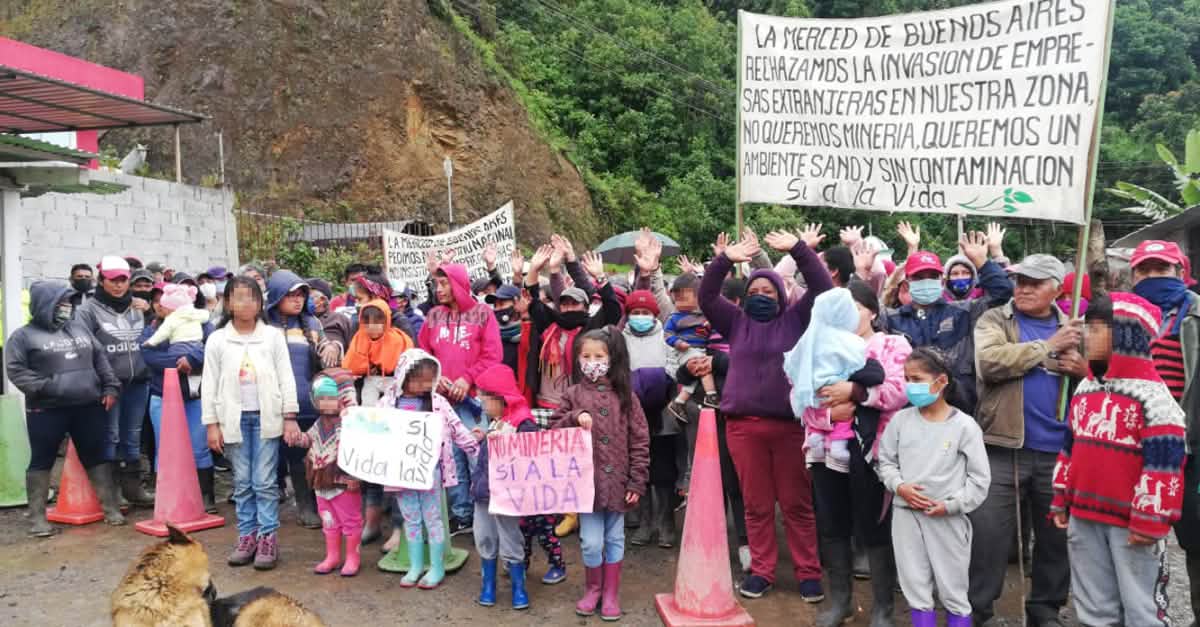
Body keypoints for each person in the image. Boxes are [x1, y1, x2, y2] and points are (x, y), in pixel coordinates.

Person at [699, 226, 831, 601]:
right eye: (753, 291)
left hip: (789, 430)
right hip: (743, 429)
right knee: (755, 506)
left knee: (797, 505)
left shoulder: (796, 321)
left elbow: (823, 291)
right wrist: (725, 259)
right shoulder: (736, 322)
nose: (759, 296)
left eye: (767, 291)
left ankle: (808, 573)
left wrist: (800, 249)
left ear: (782, 295)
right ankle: (761, 571)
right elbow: (707, 294)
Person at [1051, 293, 1186, 626]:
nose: (1087, 336)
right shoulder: (1085, 389)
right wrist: (1060, 498)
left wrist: (1150, 520)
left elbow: (1164, 468)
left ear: (1129, 334)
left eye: (1098, 329)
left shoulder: (1153, 399)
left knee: (1141, 607)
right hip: (1084, 516)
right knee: (1094, 605)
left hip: (1131, 525)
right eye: (1088, 328)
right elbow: (1069, 450)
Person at [970, 254, 1087, 626]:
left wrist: (1084, 370)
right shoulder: (994, 319)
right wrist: (1046, 347)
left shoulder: (1079, 329)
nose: (1023, 288)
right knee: (988, 537)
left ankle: (1046, 610)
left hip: (1060, 453)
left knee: (1055, 538)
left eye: (1034, 282)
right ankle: (980, 611)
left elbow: (1108, 379)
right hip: (1002, 446)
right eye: (1020, 280)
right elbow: (988, 362)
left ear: (1056, 288)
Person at [808, 282, 911, 627]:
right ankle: (841, 602)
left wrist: (854, 390)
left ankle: (882, 608)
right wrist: (827, 415)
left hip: (874, 452)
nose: (848, 314)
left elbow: (900, 390)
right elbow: (802, 397)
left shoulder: (893, 344)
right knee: (833, 525)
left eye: (855, 305)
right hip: (826, 450)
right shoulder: (819, 348)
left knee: (875, 527)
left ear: (872, 310)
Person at [877, 347, 990, 627]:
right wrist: (899, 486)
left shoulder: (965, 427)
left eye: (916, 379)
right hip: (905, 516)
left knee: (953, 589)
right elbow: (885, 462)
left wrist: (951, 505)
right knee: (915, 587)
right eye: (906, 379)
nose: (910, 386)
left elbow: (979, 480)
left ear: (941, 382)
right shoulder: (901, 421)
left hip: (947, 520)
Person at [7, 281, 124, 535]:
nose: (66, 307)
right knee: (42, 459)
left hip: (88, 405)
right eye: (61, 302)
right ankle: (38, 519)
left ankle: (110, 509)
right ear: (44, 304)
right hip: (47, 409)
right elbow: (16, 371)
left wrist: (110, 387)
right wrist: (50, 387)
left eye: (68, 302)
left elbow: (99, 356)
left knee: (96, 456)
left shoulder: (79, 327)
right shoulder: (22, 336)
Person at [551, 327, 650, 621]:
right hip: (586, 485)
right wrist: (573, 416)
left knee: (615, 538)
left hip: (618, 482)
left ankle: (610, 593)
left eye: (599, 356)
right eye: (586, 356)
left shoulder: (626, 396)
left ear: (612, 358)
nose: (592, 361)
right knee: (591, 541)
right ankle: (593, 588)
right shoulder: (573, 394)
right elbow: (554, 429)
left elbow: (640, 439)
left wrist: (636, 479)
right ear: (578, 359)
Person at [202, 276, 300, 570]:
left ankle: (268, 538)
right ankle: (247, 536)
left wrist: (290, 417)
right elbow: (210, 383)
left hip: (266, 418)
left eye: (252, 297)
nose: (246, 303)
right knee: (242, 482)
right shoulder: (218, 339)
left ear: (261, 303)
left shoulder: (271, 337)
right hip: (233, 420)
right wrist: (212, 424)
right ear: (228, 303)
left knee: (264, 481)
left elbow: (286, 377)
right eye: (239, 297)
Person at [1127, 239, 1200, 625]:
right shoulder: (1122, 316)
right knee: (1134, 538)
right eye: (1145, 270)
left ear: (1181, 272)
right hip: (1133, 451)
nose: (1153, 277)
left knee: (1196, 540)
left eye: (1163, 269)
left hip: (1190, 449)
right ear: (1133, 274)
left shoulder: (1197, 313)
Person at [380, 348, 480, 590]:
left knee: (433, 519)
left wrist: (477, 448)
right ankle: (415, 566)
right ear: (404, 376)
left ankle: (436, 567)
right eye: (419, 379)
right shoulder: (387, 403)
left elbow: (457, 429)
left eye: (429, 379)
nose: (425, 385)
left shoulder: (438, 403)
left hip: (430, 471)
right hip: (401, 472)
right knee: (411, 519)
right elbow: (375, 429)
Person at [884, 225, 1012, 413]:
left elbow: (1003, 293)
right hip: (906, 413)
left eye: (932, 276)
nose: (926, 281)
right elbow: (862, 310)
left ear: (942, 281)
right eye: (919, 277)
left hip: (958, 409)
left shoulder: (964, 311)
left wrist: (983, 262)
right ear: (907, 283)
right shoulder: (891, 319)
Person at [418, 261, 503, 535]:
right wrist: (434, 376)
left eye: (445, 283)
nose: (439, 289)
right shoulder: (432, 316)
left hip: (474, 401)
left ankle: (486, 513)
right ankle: (462, 515)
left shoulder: (483, 314)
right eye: (437, 284)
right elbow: (422, 353)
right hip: (441, 402)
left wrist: (467, 379)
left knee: (476, 456)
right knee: (450, 459)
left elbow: (493, 355)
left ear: (458, 284)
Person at [74, 255, 155, 508]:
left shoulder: (139, 306)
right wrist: (102, 381)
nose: (119, 285)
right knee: (110, 436)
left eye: (123, 279)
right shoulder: (88, 310)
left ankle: (133, 488)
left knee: (132, 435)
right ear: (101, 280)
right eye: (113, 280)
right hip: (109, 384)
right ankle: (111, 493)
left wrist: (150, 311)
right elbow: (84, 349)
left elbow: (153, 336)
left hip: (138, 381)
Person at [140, 283, 218, 512]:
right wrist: (179, 363)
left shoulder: (203, 324)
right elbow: (148, 355)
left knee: (199, 447)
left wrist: (192, 359)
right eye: (157, 301)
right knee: (165, 449)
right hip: (162, 397)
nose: (161, 306)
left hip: (195, 397)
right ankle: (167, 498)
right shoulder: (153, 328)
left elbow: (212, 347)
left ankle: (205, 497)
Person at [266, 270, 331, 530]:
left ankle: (308, 506)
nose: (297, 300)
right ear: (276, 296)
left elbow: (327, 351)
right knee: (272, 461)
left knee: (305, 458)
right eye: (290, 295)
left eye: (301, 294)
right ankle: (267, 515)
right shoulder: (264, 327)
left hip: (308, 405)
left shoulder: (313, 325)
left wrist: (332, 348)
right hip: (273, 407)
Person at [472, 364, 539, 610]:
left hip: (507, 496)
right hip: (484, 493)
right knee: (484, 535)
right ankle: (488, 584)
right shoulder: (497, 421)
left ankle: (518, 587)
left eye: (485, 398)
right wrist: (484, 438)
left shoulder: (523, 424)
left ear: (501, 398)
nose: (482, 404)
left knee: (511, 537)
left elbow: (532, 456)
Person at [288, 369, 363, 577]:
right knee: (329, 520)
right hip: (321, 483)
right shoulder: (319, 423)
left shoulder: (350, 424)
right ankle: (332, 556)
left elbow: (359, 454)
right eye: (322, 399)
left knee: (350, 521)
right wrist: (297, 438)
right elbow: (309, 440)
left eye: (332, 398)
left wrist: (354, 477)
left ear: (344, 398)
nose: (327, 403)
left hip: (343, 482)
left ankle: (352, 556)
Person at [784, 288, 866, 471]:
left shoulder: (808, 339)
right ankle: (837, 446)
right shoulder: (850, 341)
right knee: (843, 418)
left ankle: (816, 438)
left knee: (820, 413)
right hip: (838, 389)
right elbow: (859, 365)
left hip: (812, 392)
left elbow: (791, 366)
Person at [664, 273, 719, 419]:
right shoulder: (675, 317)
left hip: (700, 350)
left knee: (695, 375)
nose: (679, 303)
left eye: (684, 299)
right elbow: (667, 334)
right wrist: (677, 343)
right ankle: (711, 395)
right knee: (703, 366)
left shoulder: (705, 315)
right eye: (677, 300)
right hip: (684, 351)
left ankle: (679, 402)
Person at [343, 299, 414, 406]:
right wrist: (367, 368)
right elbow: (350, 365)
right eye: (367, 323)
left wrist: (376, 366)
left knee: (394, 404)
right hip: (370, 379)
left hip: (393, 379)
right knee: (368, 404)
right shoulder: (359, 338)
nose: (372, 326)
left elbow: (406, 362)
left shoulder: (397, 340)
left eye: (377, 322)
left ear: (386, 321)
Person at [142, 283, 209, 347]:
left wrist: (191, 356)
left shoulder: (202, 323)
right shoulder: (150, 328)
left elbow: (211, 350)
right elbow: (147, 352)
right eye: (156, 301)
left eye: (162, 300)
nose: (160, 305)